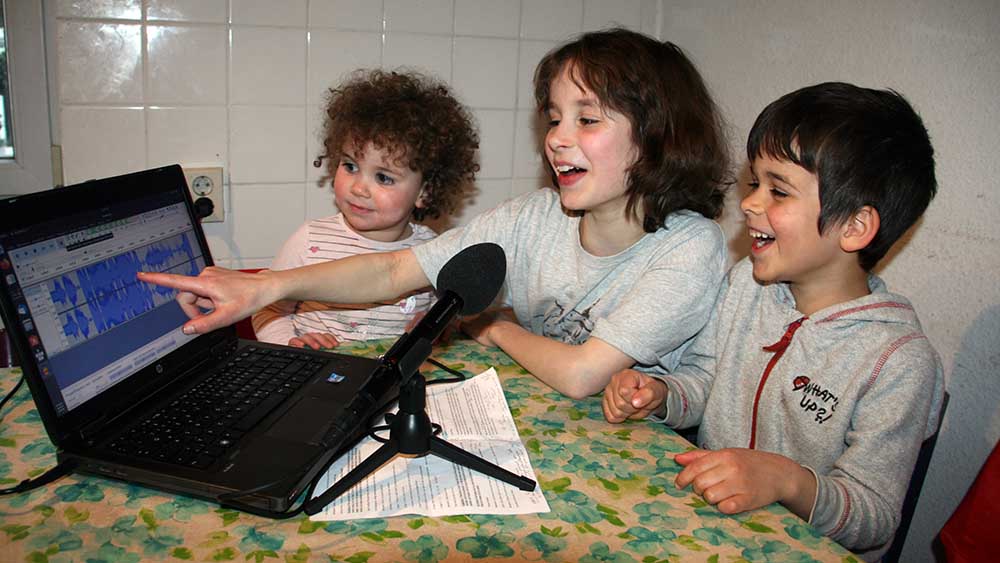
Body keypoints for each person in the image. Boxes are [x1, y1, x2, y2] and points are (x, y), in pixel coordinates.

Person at [139, 28, 731, 400]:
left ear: (656, 138)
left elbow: (582, 376)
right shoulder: (531, 217)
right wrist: (262, 287)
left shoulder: (688, 247)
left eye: (587, 118)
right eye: (554, 117)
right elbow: (395, 272)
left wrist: (490, 325)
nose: (557, 138)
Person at [601, 82, 945, 561]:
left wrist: (785, 480)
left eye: (778, 190)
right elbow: (703, 381)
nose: (750, 203)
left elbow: (874, 515)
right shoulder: (747, 285)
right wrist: (660, 396)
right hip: (705, 532)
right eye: (754, 183)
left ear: (854, 227)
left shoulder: (898, 361)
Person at [251, 69, 479, 349]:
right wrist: (292, 343)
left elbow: (449, 320)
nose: (358, 188)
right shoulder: (310, 241)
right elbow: (266, 310)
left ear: (425, 191)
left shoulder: (431, 251)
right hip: (322, 380)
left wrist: (433, 326)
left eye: (383, 177)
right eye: (350, 166)